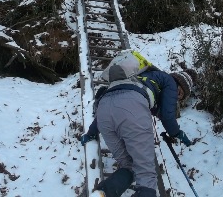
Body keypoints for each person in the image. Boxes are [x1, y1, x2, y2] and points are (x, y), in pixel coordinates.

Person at [80, 64, 194, 197]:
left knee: (128, 166)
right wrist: (177, 133)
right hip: (131, 107)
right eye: (179, 94)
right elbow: (168, 115)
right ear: (179, 85)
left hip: (103, 110)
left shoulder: (141, 78)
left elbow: (113, 103)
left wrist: (91, 133)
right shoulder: (169, 81)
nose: (177, 98)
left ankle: (102, 193)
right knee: (146, 173)